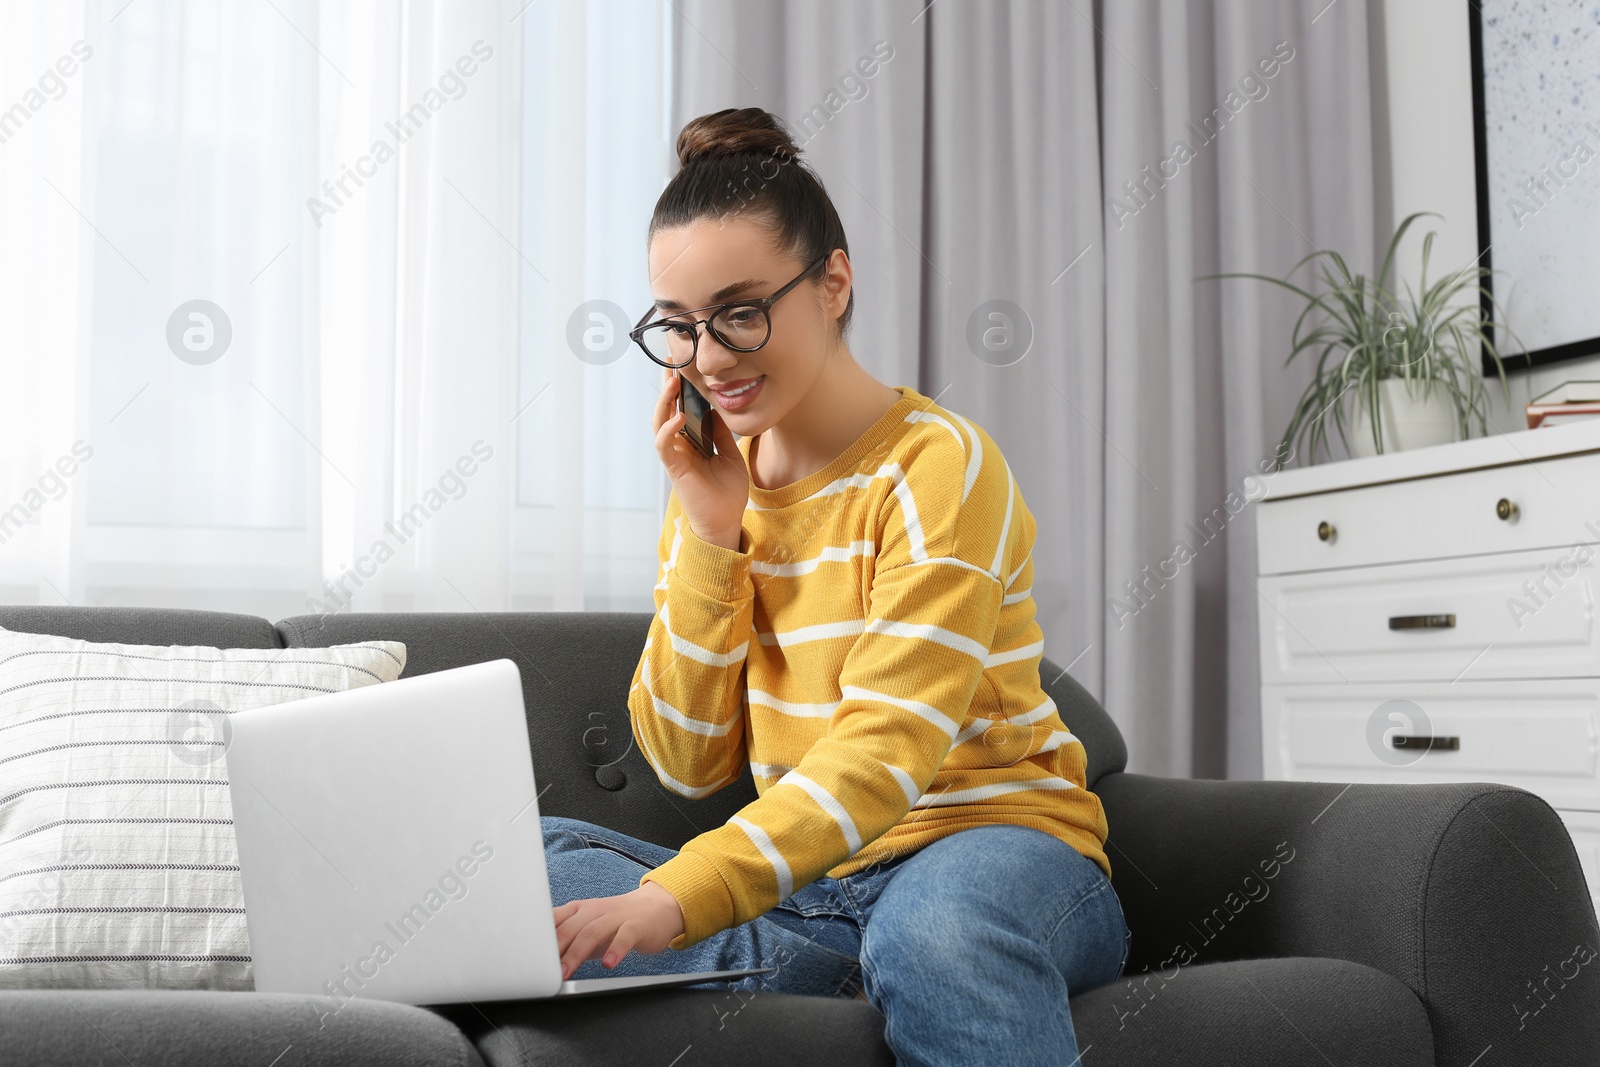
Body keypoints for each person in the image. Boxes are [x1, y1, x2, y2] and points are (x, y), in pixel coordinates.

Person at [541, 106, 1129, 1066]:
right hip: (821, 886)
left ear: (834, 283)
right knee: (518, 868)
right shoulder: (711, 482)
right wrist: (711, 532)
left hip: (1000, 852)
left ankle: (903, 959)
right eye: (680, 328)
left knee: (936, 931)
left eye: (740, 311)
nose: (712, 359)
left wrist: (676, 899)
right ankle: (868, 966)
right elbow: (688, 766)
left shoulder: (940, 465)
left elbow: (886, 751)